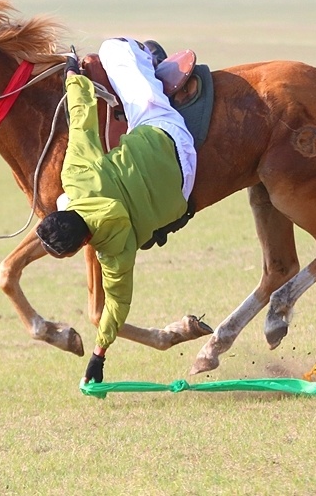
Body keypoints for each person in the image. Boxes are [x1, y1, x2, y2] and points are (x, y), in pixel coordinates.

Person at [36, 38, 197, 384]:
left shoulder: (113, 253)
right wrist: (73, 77)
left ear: (83, 246)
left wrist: (100, 353)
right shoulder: (76, 177)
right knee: (112, 49)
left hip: (184, 186)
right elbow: (82, 121)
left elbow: (117, 305)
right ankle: (142, 55)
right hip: (168, 136)